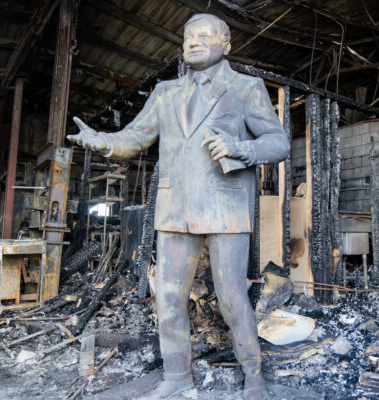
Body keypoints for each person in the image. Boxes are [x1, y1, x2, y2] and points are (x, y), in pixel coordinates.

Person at [67, 13, 289, 400]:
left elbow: (278, 143)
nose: (193, 42)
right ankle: (177, 376)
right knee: (169, 297)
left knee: (232, 297)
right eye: (188, 37)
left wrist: (240, 148)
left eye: (204, 35)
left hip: (225, 206)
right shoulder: (164, 92)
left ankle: (254, 375)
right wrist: (102, 141)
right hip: (175, 208)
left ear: (226, 44)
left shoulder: (245, 88)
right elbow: (135, 137)